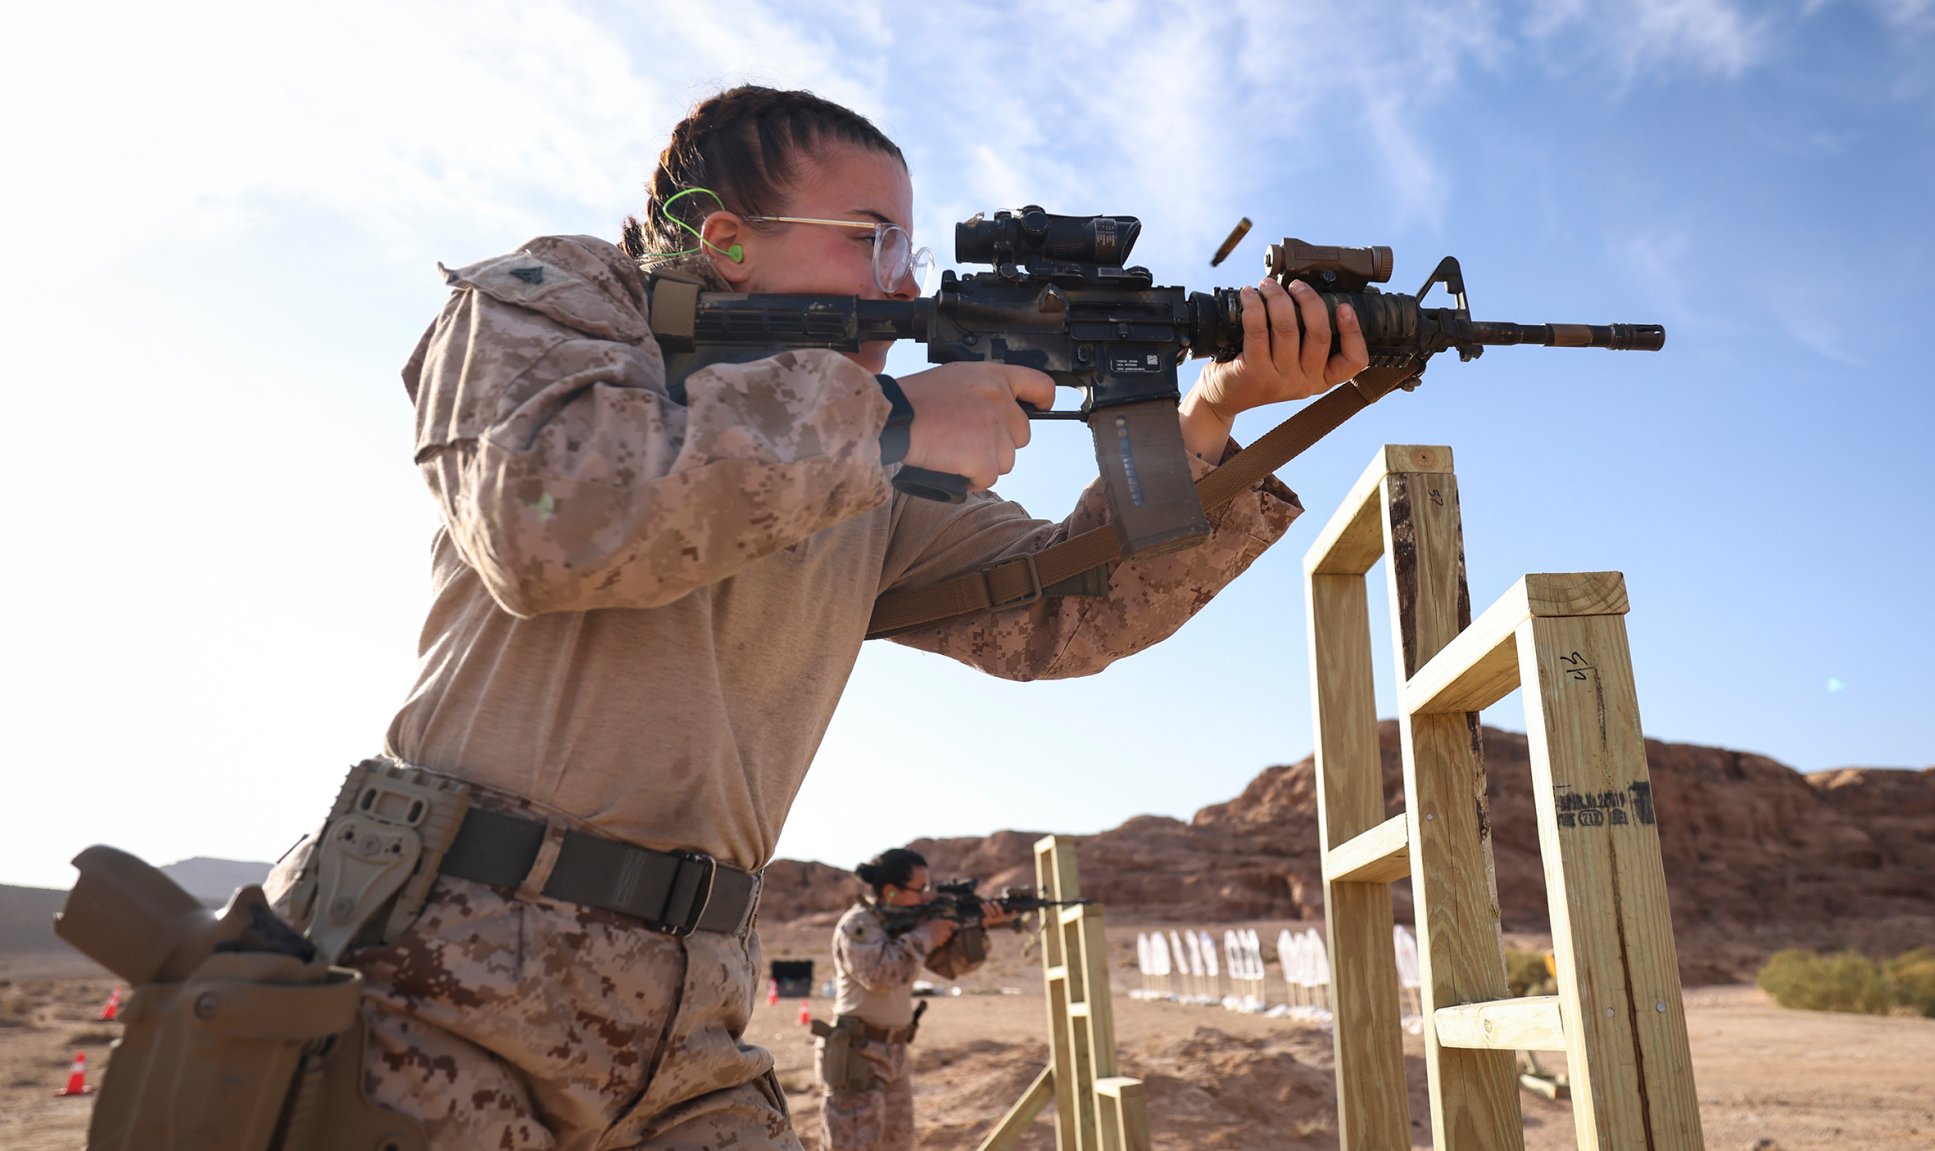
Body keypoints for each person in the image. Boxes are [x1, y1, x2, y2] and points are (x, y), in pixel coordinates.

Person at [265, 83, 1367, 1150]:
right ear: (729, 243)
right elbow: (546, 515)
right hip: (430, 977)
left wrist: (1214, 416)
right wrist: (882, 421)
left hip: (688, 1012)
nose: (901, 282)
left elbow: (1066, 611)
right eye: (868, 237)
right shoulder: (556, 301)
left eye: (909, 250)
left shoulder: (863, 483)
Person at [818, 848, 1010, 1151]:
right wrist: (926, 936)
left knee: (898, 1144)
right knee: (853, 1144)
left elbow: (954, 966)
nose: (926, 897)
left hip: (894, 1051)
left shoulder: (911, 926)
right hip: (857, 1053)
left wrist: (977, 926)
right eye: (920, 889)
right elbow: (880, 975)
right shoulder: (859, 925)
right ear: (891, 892)